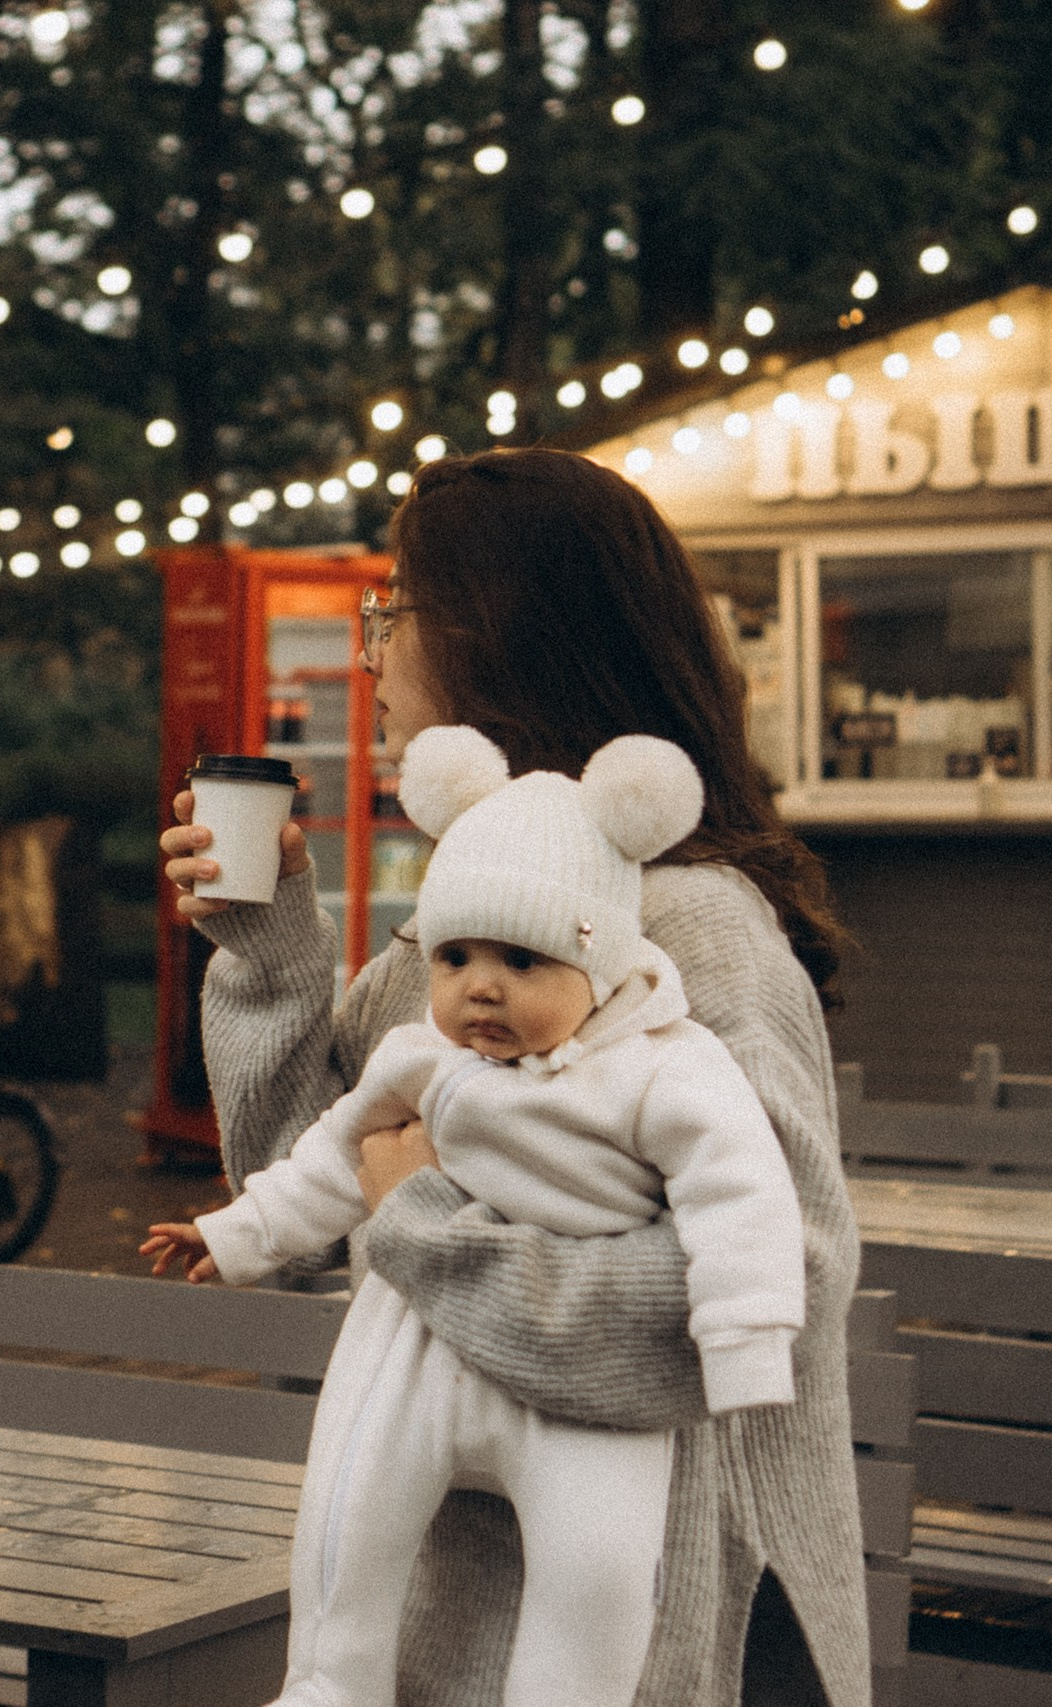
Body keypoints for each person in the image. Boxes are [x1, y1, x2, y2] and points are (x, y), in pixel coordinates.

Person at [159, 447, 868, 1707]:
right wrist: (268, 952)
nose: (371, 652)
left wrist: (424, 1222)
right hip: (463, 1605)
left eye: (394, 611)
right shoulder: (475, 922)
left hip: (651, 1634)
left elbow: (777, 1288)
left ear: (499, 633)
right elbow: (306, 1190)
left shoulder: (693, 931)